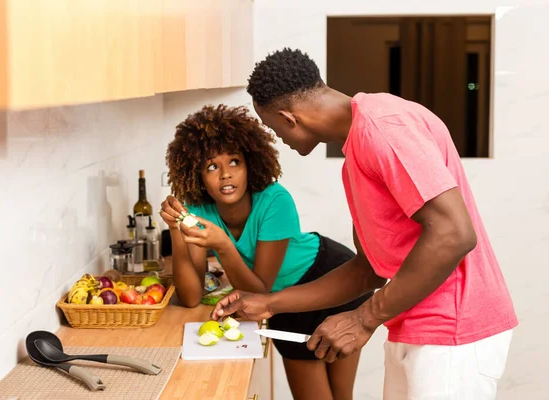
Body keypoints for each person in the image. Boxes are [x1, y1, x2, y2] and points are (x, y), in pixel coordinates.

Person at [211, 48, 518, 399]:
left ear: (289, 118)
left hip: (454, 332)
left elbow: (455, 233)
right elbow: (368, 271)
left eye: (273, 127)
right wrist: (270, 303)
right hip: (414, 325)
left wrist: (363, 318)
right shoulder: (357, 152)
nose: (277, 138)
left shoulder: (383, 128)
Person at [158, 104, 382, 400]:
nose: (226, 174)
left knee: (341, 396)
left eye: (234, 162)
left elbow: (260, 290)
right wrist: (175, 228)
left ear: (250, 163)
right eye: (212, 166)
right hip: (284, 302)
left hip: (331, 279)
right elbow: (190, 297)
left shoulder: (274, 201)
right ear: (197, 174)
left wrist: (222, 245)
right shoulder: (199, 210)